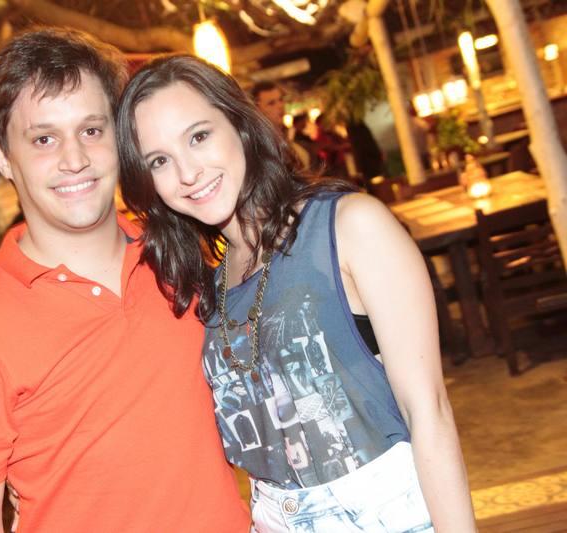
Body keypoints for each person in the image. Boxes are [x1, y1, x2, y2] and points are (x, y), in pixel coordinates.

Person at [117, 54, 475, 532]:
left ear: (240, 124)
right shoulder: (210, 282)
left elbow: (429, 412)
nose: (188, 172)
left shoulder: (349, 225)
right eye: (159, 161)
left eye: (198, 137)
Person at [0, 30, 249, 532]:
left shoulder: (182, 254)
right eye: (43, 139)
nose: (74, 159)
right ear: (3, 157)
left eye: (92, 130)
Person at [252, 81, 311, 169]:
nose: (280, 106)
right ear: (257, 110)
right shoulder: (259, 148)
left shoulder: (295, 148)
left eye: (281, 100)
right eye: (271, 103)